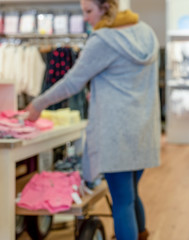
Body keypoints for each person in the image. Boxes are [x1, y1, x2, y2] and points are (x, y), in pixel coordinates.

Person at [26, 0, 161, 239]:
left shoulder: (102, 40)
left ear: (106, 8)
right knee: (130, 194)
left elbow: (71, 83)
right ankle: (141, 234)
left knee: (122, 202)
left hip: (116, 133)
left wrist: (38, 104)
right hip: (143, 131)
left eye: (89, 11)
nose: (86, 18)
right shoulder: (145, 32)